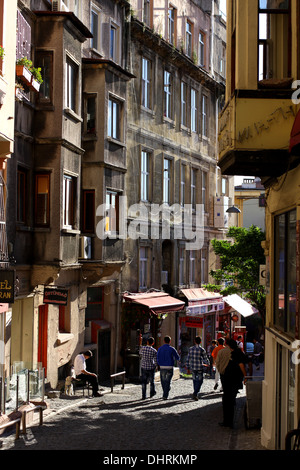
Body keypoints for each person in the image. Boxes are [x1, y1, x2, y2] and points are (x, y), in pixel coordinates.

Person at [216, 338, 247, 428]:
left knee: (226, 399)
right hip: (236, 379)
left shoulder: (222, 352)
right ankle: (230, 420)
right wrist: (245, 376)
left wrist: (221, 371)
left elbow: (217, 363)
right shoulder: (238, 352)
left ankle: (227, 421)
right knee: (231, 398)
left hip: (225, 377)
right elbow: (244, 363)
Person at [186, 336, 209, 400]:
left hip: (193, 367)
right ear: (200, 342)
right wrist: (208, 364)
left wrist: (187, 367)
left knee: (194, 380)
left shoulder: (191, 349)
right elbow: (205, 358)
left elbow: (188, 358)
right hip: (199, 367)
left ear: (194, 341)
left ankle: (195, 393)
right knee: (200, 381)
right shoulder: (202, 349)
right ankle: (195, 393)